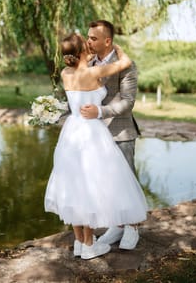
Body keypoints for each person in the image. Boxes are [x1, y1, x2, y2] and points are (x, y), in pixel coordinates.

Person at [44, 32, 147, 260]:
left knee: (73, 184)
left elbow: (80, 79)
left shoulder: (65, 73)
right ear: (82, 50)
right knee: (88, 186)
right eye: (86, 41)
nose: (90, 43)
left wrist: (85, 55)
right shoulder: (94, 72)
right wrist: (115, 45)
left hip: (71, 131)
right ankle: (90, 245)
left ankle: (80, 243)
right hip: (91, 131)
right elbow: (125, 63)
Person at [80, 20, 141, 250]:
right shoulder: (88, 63)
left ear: (108, 41)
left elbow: (127, 102)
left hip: (121, 132)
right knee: (106, 183)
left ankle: (133, 226)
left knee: (128, 181)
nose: (89, 41)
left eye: (94, 38)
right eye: (88, 37)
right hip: (96, 135)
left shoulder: (125, 64)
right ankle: (116, 225)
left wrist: (100, 111)